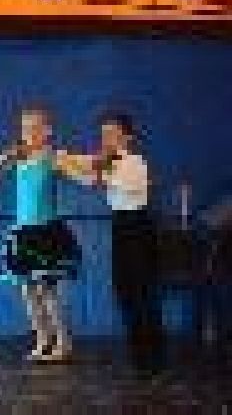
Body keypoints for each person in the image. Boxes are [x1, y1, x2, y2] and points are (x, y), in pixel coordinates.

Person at [0, 104, 82, 362]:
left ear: (48, 131)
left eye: (36, 128)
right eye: (25, 128)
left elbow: (83, 177)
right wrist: (6, 155)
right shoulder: (19, 158)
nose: (30, 133)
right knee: (27, 291)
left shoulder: (53, 157)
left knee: (47, 290)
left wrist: (80, 164)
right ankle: (42, 339)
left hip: (46, 232)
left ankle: (63, 341)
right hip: (23, 232)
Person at [93, 110, 162, 369]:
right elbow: (90, 174)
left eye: (112, 133)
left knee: (142, 292)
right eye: (103, 134)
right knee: (124, 290)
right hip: (120, 226)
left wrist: (98, 169)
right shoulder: (107, 161)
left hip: (138, 227)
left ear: (127, 137)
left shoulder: (135, 162)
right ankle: (140, 355)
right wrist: (65, 160)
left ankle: (153, 357)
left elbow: (122, 184)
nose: (106, 139)